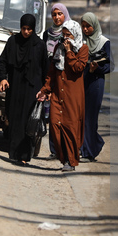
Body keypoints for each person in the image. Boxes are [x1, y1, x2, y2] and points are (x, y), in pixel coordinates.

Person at [0, 14, 48, 163]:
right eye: (24, 29)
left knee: (28, 122)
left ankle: (25, 156)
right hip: (15, 88)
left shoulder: (40, 45)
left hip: (32, 90)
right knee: (14, 119)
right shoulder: (13, 42)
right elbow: (3, 61)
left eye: (29, 29)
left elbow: (45, 69)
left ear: (33, 29)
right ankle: (13, 154)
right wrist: (3, 78)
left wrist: (46, 89)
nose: (26, 32)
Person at [37, 20, 89, 172]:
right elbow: (52, 72)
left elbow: (78, 68)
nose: (66, 39)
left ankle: (71, 161)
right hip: (58, 94)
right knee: (54, 124)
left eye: (69, 35)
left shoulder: (83, 49)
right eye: (64, 35)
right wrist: (45, 89)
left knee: (70, 127)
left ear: (76, 35)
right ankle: (63, 157)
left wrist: (69, 52)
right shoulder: (58, 49)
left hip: (73, 96)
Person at [80, 12, 113, 162]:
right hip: (81, 81)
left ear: (95, 25)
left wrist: (96, 68)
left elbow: (110, 65)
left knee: (91, 117)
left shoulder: (104, 42)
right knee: (81, 116)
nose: (86, 29)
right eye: (83, 26)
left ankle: (88, 151)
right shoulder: (80, 41)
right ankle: (89, 146)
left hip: (96, 83)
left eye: (88, 26)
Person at [42, 3, 71, 160]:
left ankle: (65, 150)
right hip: (50, 76)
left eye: (60, 14)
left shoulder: (70, 33)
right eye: (54, 14)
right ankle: (54, 150)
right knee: (52, 116)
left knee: (64, 116)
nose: (57, 17)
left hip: (64, 80)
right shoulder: (47, 34)